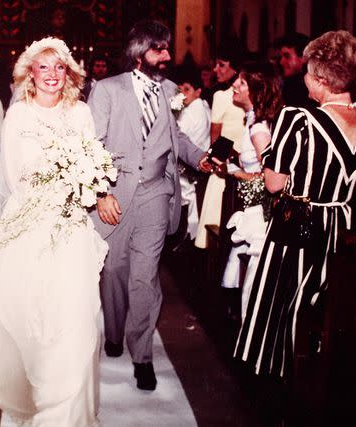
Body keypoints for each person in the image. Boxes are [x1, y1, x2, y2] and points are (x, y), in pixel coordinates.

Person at [0, 37, 109, 425]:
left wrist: (83, 186)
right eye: (43, 67)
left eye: (59, 67)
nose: (52, 75)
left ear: (68, 73)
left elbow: (92, 158)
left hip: (69, 226)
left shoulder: (81, 112)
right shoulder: (19, 115)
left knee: (74, 311)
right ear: (29, 73)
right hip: (31, 221)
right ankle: (27, 388)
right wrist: (56, 189)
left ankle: (67, 403)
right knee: (26, 307)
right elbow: (16, 176)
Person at [235, 31, 356, 380]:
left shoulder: (300, 119)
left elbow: (274, 183)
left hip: (302, 230)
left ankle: (277, 373)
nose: (303, 78)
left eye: (307, 71)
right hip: (349, 233)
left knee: (280, 314)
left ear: (322, 79)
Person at [88, 19, 211, 391]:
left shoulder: (171, 90)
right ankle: (113, 331)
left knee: (144, 274)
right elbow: (91, 144)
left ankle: (142, 355)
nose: (168, 56)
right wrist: (99, 193)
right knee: (113, 271)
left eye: (167, 48)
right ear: (140, 53)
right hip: (114, 193)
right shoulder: (107, 91)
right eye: (160, 49)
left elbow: (177, 137)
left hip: (157, 193)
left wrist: (200, 158)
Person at [219, 61, 282, 320]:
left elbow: (269, 176)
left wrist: (233, 172)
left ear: (257, 91)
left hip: (260, 212)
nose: (234, 84)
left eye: (241, 83)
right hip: (250, 206)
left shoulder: (259, 129)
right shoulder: (253, 120)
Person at [195, 41, 246, 250]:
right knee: (218, 227)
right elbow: (215, 140)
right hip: (225, 167)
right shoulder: (220, 96)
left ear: (235, 68)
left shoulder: (245, 95)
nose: (216, 70)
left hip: (247, 165)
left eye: (221, 65)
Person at [174, 66, 211, 240]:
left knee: (187, 210)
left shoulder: (192, 111)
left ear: (198, 91)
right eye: (180, 90)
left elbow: (177, 138)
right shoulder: (202, 106)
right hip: (193, 165)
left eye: (187, 90)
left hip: (189, 166)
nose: (183, 94)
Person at [277, 32, 315, 108]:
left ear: (303, 57)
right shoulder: (287, 84)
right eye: (281, 57)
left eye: (287, 56)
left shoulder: (312, 89)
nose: (281, 62)